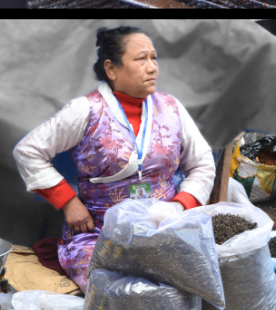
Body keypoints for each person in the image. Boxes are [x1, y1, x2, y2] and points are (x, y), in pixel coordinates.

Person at [12, 26, 216, 291]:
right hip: (100, 233)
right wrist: (68, 202)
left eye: (154, 58)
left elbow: (203, 163)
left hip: (166, 227)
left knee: (192, 284)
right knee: (120, 293)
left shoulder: (171, 107)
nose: (153, 67)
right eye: (141, 59)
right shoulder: (85, 110)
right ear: (111, 69)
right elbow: (28, 151)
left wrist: (178, 206)